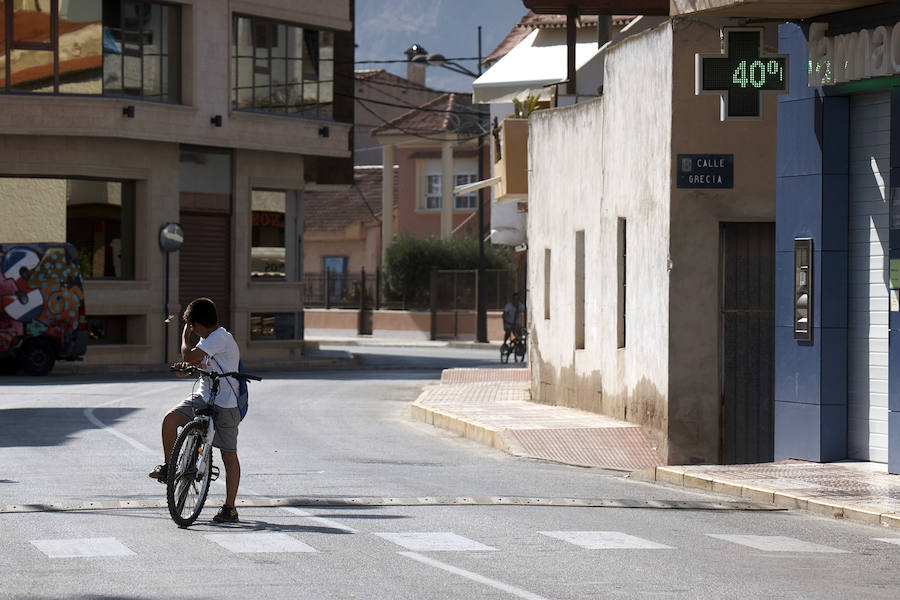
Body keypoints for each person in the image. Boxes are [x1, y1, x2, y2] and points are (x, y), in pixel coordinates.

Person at [149, 297, 243, 524]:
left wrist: (184, 338)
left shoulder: (219, 337)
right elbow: (194, 363)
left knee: (229, 455)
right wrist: (185, 370)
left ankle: (229, 508)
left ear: (194, 324)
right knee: (170, 420)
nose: (190, 329)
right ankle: (169, 467)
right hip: (203, 397)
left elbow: (189, 355)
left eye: (190, 325)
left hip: (225, 402)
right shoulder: (207, 339)